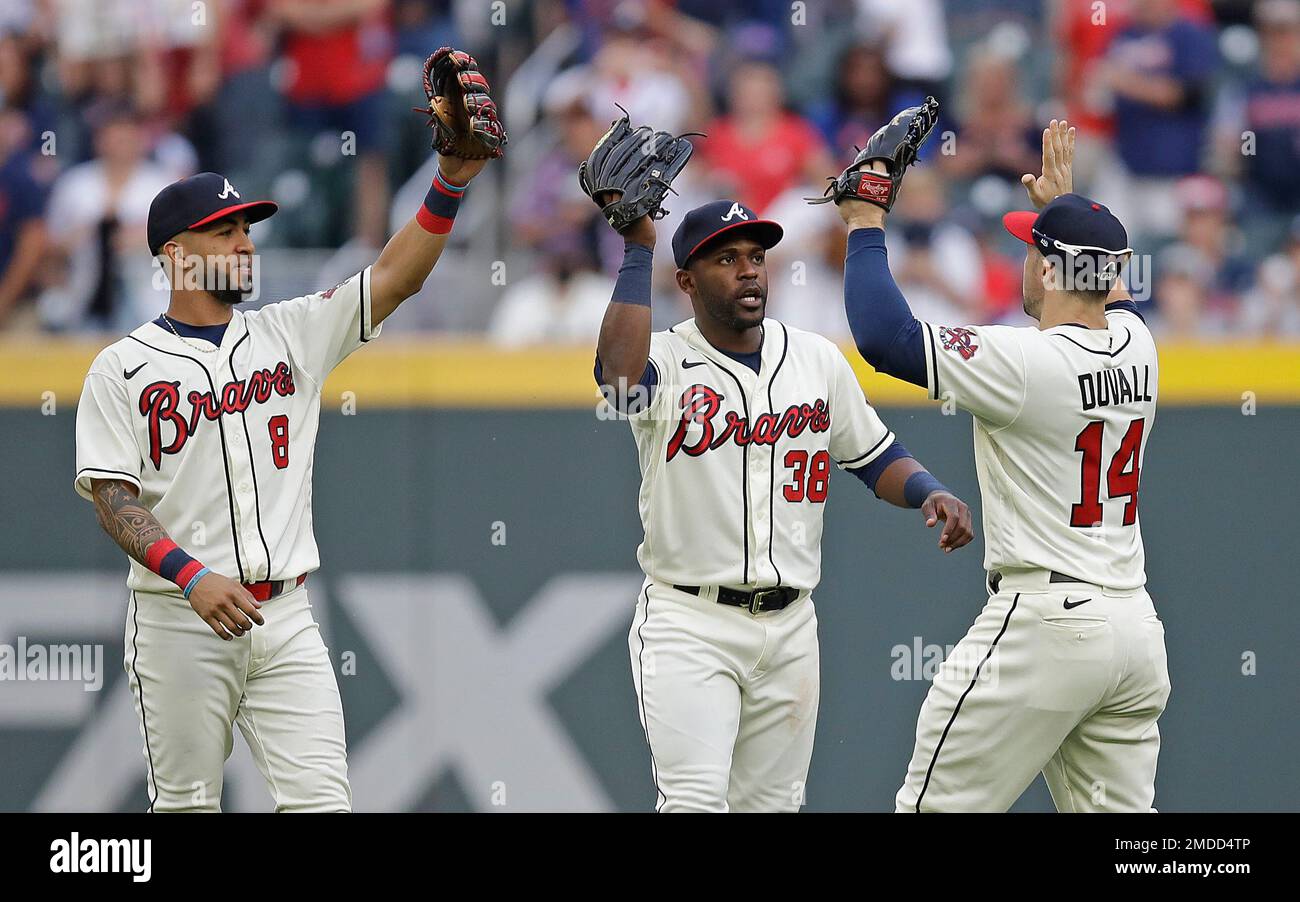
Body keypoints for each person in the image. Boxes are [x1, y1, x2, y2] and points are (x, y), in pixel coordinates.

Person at [72, 48, 503, 812]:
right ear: (175, 255)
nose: (244, 244)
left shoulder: (289, 333)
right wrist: (191, 575)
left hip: (287, 616)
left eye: (245, 228)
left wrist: (449, 183)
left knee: (322, 806)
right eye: (224, 232)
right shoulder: (123, 367)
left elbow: (396, 277)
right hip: (178, 618)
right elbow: (111, 496)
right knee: (185, 807)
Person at [594, 193, 975, 812]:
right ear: (687, 281)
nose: (748, 269)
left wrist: (929, 489)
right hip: (692, 622)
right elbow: (617, 380)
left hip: (792, 624)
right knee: (693, 802)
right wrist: (638, 250)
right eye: (726, 259)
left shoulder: (814, 357)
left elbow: (873, 456)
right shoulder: (665, 357)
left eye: (755, 256)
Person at [832, 119, 1169, 811]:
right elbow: (1112, 290)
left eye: (1031, 249)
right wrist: (1068, 211)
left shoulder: (1026, 362)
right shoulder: (1140, 347)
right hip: (1135, 632)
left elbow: (883, 337)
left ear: (1048, 269)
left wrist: (865, 217)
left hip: (1048, 622)